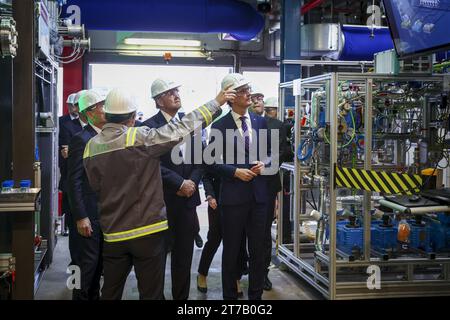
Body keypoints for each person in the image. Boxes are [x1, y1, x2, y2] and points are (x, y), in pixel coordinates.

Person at [83, 87, 235, 300]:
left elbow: (95, 186)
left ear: (107, 115)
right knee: (151, 293)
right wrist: (215, 103)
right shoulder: (139, 138)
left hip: (113, 233)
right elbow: (181, 129)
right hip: (147, 231)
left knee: (109, 292)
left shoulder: (91, 146)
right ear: (133, 117)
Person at [143, 78, 207, 300]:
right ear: (159, 101)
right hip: (161, 202)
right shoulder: (148, 127)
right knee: (157, 258)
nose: (176, 95)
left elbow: (201, 159)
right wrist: (178, 183)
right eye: (170, 92)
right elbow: (150, 163)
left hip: (187, 202)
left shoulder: (190, 123)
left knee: (184, 258)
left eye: (177, 91)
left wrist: (191, 182)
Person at [209, 73, 270, 300]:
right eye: (243, 91)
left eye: (249, 89)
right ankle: (230, 297)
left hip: (258, 197)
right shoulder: (219, 125)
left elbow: (270, 154)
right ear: (231, 97)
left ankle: (256, 298)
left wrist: (265, 163)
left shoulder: (259, 121)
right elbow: (211, 161)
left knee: (257, 251)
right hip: (233, 197)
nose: (249, 94)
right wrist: (234, 171)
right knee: (232, 251)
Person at [67, 90, 106, 300]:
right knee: (84, 268)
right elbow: (74, 181)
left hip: (105, 215)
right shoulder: (81, 139)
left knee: (99, 267)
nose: (105, 109)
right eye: (101, 106)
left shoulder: (107, 136)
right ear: (89, 112)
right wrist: (81, 216)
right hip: (88, 216)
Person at [251, 95, 289, 291]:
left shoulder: (276, 125)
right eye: (253, 98)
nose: (257, 102)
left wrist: (263, 165)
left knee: (263, 233)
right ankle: (243, 270)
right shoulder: (238, 123)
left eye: (260, 98)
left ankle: (261, 274)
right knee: (241, 233)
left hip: (266, 185)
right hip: (243, 185)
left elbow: (280, 153)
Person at [197, 171, 247, 297]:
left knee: (237, 241)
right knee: (214, 238)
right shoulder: (213, 151)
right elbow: (206, 175)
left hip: (237, 198)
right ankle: (202, 274)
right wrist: (210, 195)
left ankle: (235, 278)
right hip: (216, 199)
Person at [58, 91, 86, 265]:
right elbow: (65, 156)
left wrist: (75, 152)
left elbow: (72, 153)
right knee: (75, 230)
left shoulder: (101, 128)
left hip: (93, 188)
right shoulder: (67, 125)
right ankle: (76, 264)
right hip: (72, 185)